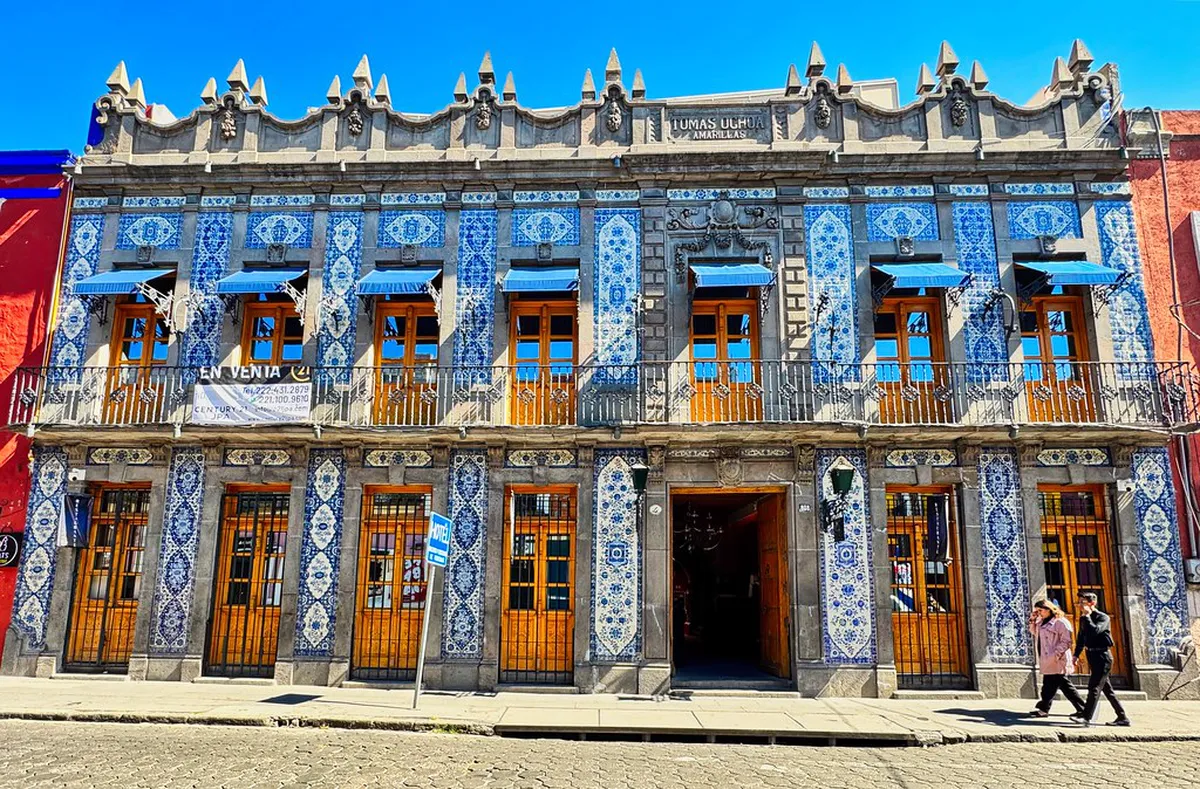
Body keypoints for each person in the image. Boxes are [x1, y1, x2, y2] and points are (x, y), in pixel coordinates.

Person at [1069, 592, 1131, 727]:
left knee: (1094, 687)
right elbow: (1082, 638)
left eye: (1083, 603)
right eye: (1079, 603)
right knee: (1107, 690)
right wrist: (1076, 655)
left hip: (1103, 656)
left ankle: (1086, 717)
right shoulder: (1084, 618)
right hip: (1092, 655)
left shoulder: (1103, 617)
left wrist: (1087, 616)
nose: (1080, 606)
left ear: (1092, 603)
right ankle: (1122, 717)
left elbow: (1095, 631)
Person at [1028, 599, 1086, 718]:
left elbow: (1066, 641)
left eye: (1041, 610)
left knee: (1058, 685)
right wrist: (1033, 619)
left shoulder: (1060, 622)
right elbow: (1035, 633)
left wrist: (1055, 654)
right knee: (1053, 685)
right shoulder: (1041, 622)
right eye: (1037, 610)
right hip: (1048, 660)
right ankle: (1081, 708)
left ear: (1049, 609)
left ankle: (1082, 708)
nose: (1039, 613)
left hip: (1058, 660)